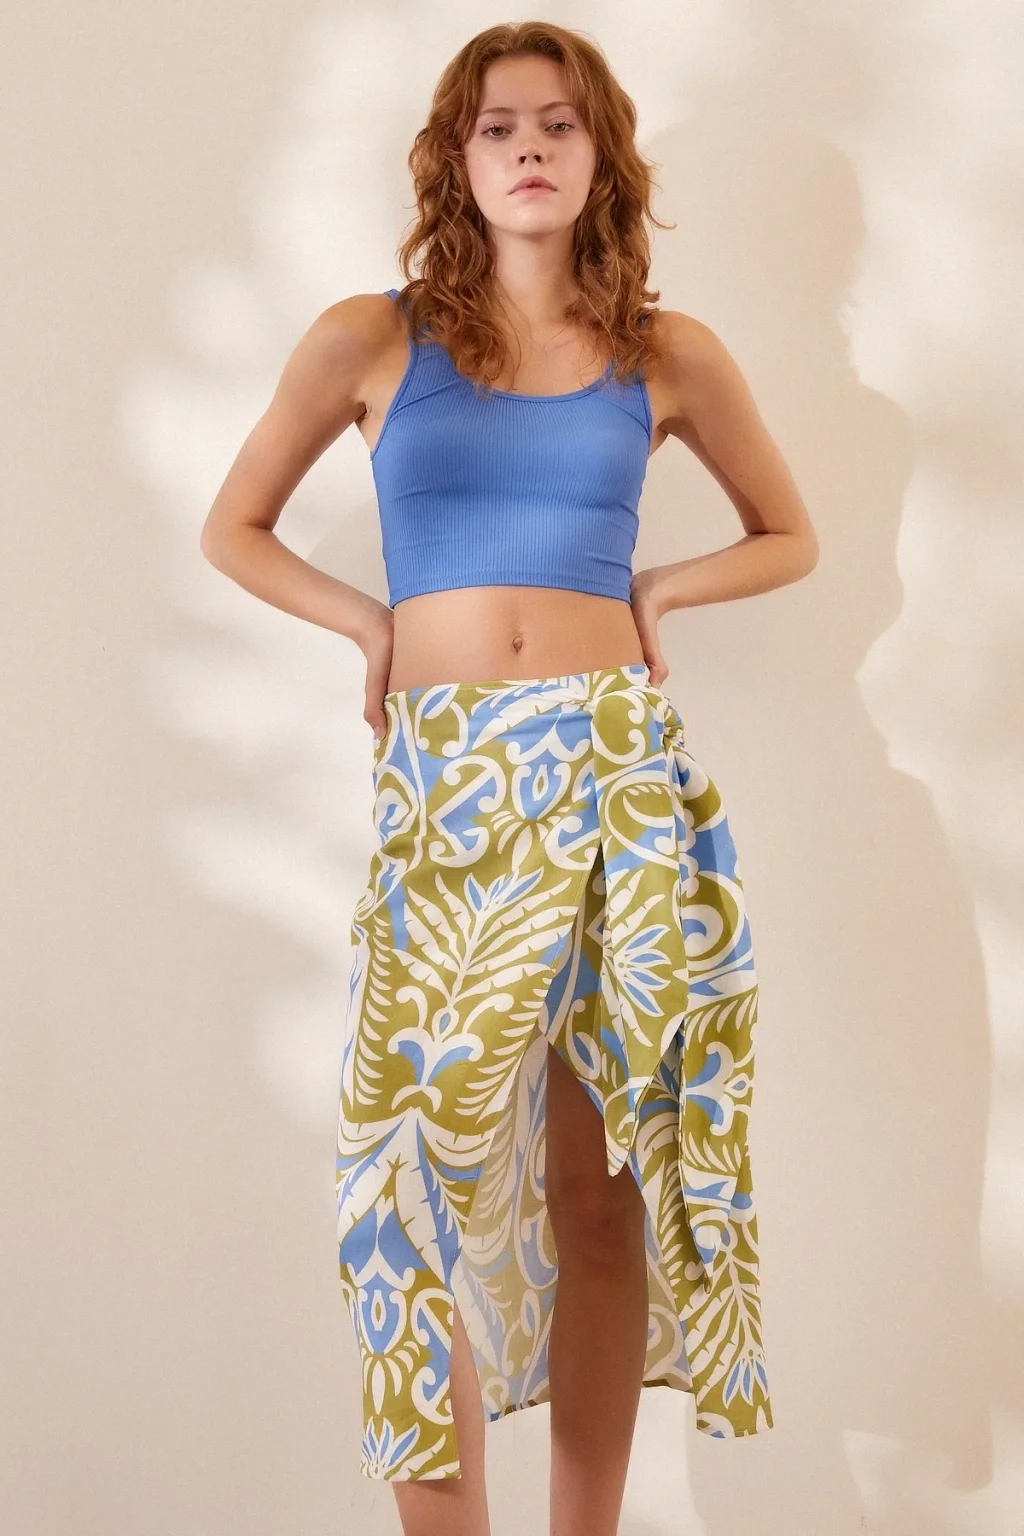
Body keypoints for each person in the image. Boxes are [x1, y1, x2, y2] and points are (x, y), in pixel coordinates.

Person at [200, 20, 818, 1536]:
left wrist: (662, 589)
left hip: (614, 780)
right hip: (449, 793)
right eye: (497, 127)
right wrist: (373, 627)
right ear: (456, 160)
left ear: (601, 154)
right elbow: (235, 526)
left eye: (557, 123)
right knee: (404, 1185)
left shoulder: (668, 353)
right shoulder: (371, 338)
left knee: (599, 1192)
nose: (529, 147)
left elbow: (789, 533)